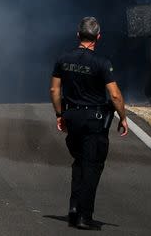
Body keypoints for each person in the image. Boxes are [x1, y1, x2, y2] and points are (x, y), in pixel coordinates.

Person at [50, 16, 129, 231]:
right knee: (92, 166)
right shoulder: (102, 63)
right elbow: (114, 95)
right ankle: (85, 216)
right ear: (98, 37)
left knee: (79, 162)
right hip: (94, 121)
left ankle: (74, 209)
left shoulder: (63, 59)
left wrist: (60, 114)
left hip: (72, 117)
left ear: (78, 35)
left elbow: (54, 90)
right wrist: (122, 117)